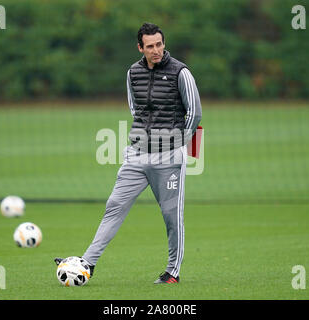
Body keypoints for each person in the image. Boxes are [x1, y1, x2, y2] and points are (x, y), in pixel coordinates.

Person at [55, 22, 202, 284]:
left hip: (168, 157)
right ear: (140, 47)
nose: (156, 50)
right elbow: (135, 109)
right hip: (136, 155)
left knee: (171, 215)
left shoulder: (181, 72)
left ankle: (173, 272)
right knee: (114, 205)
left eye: (159, 44)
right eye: (150, 46)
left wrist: (178, 144)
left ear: (163, 43)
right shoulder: (133, 72)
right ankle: (88, 262)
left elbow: (195, 113)